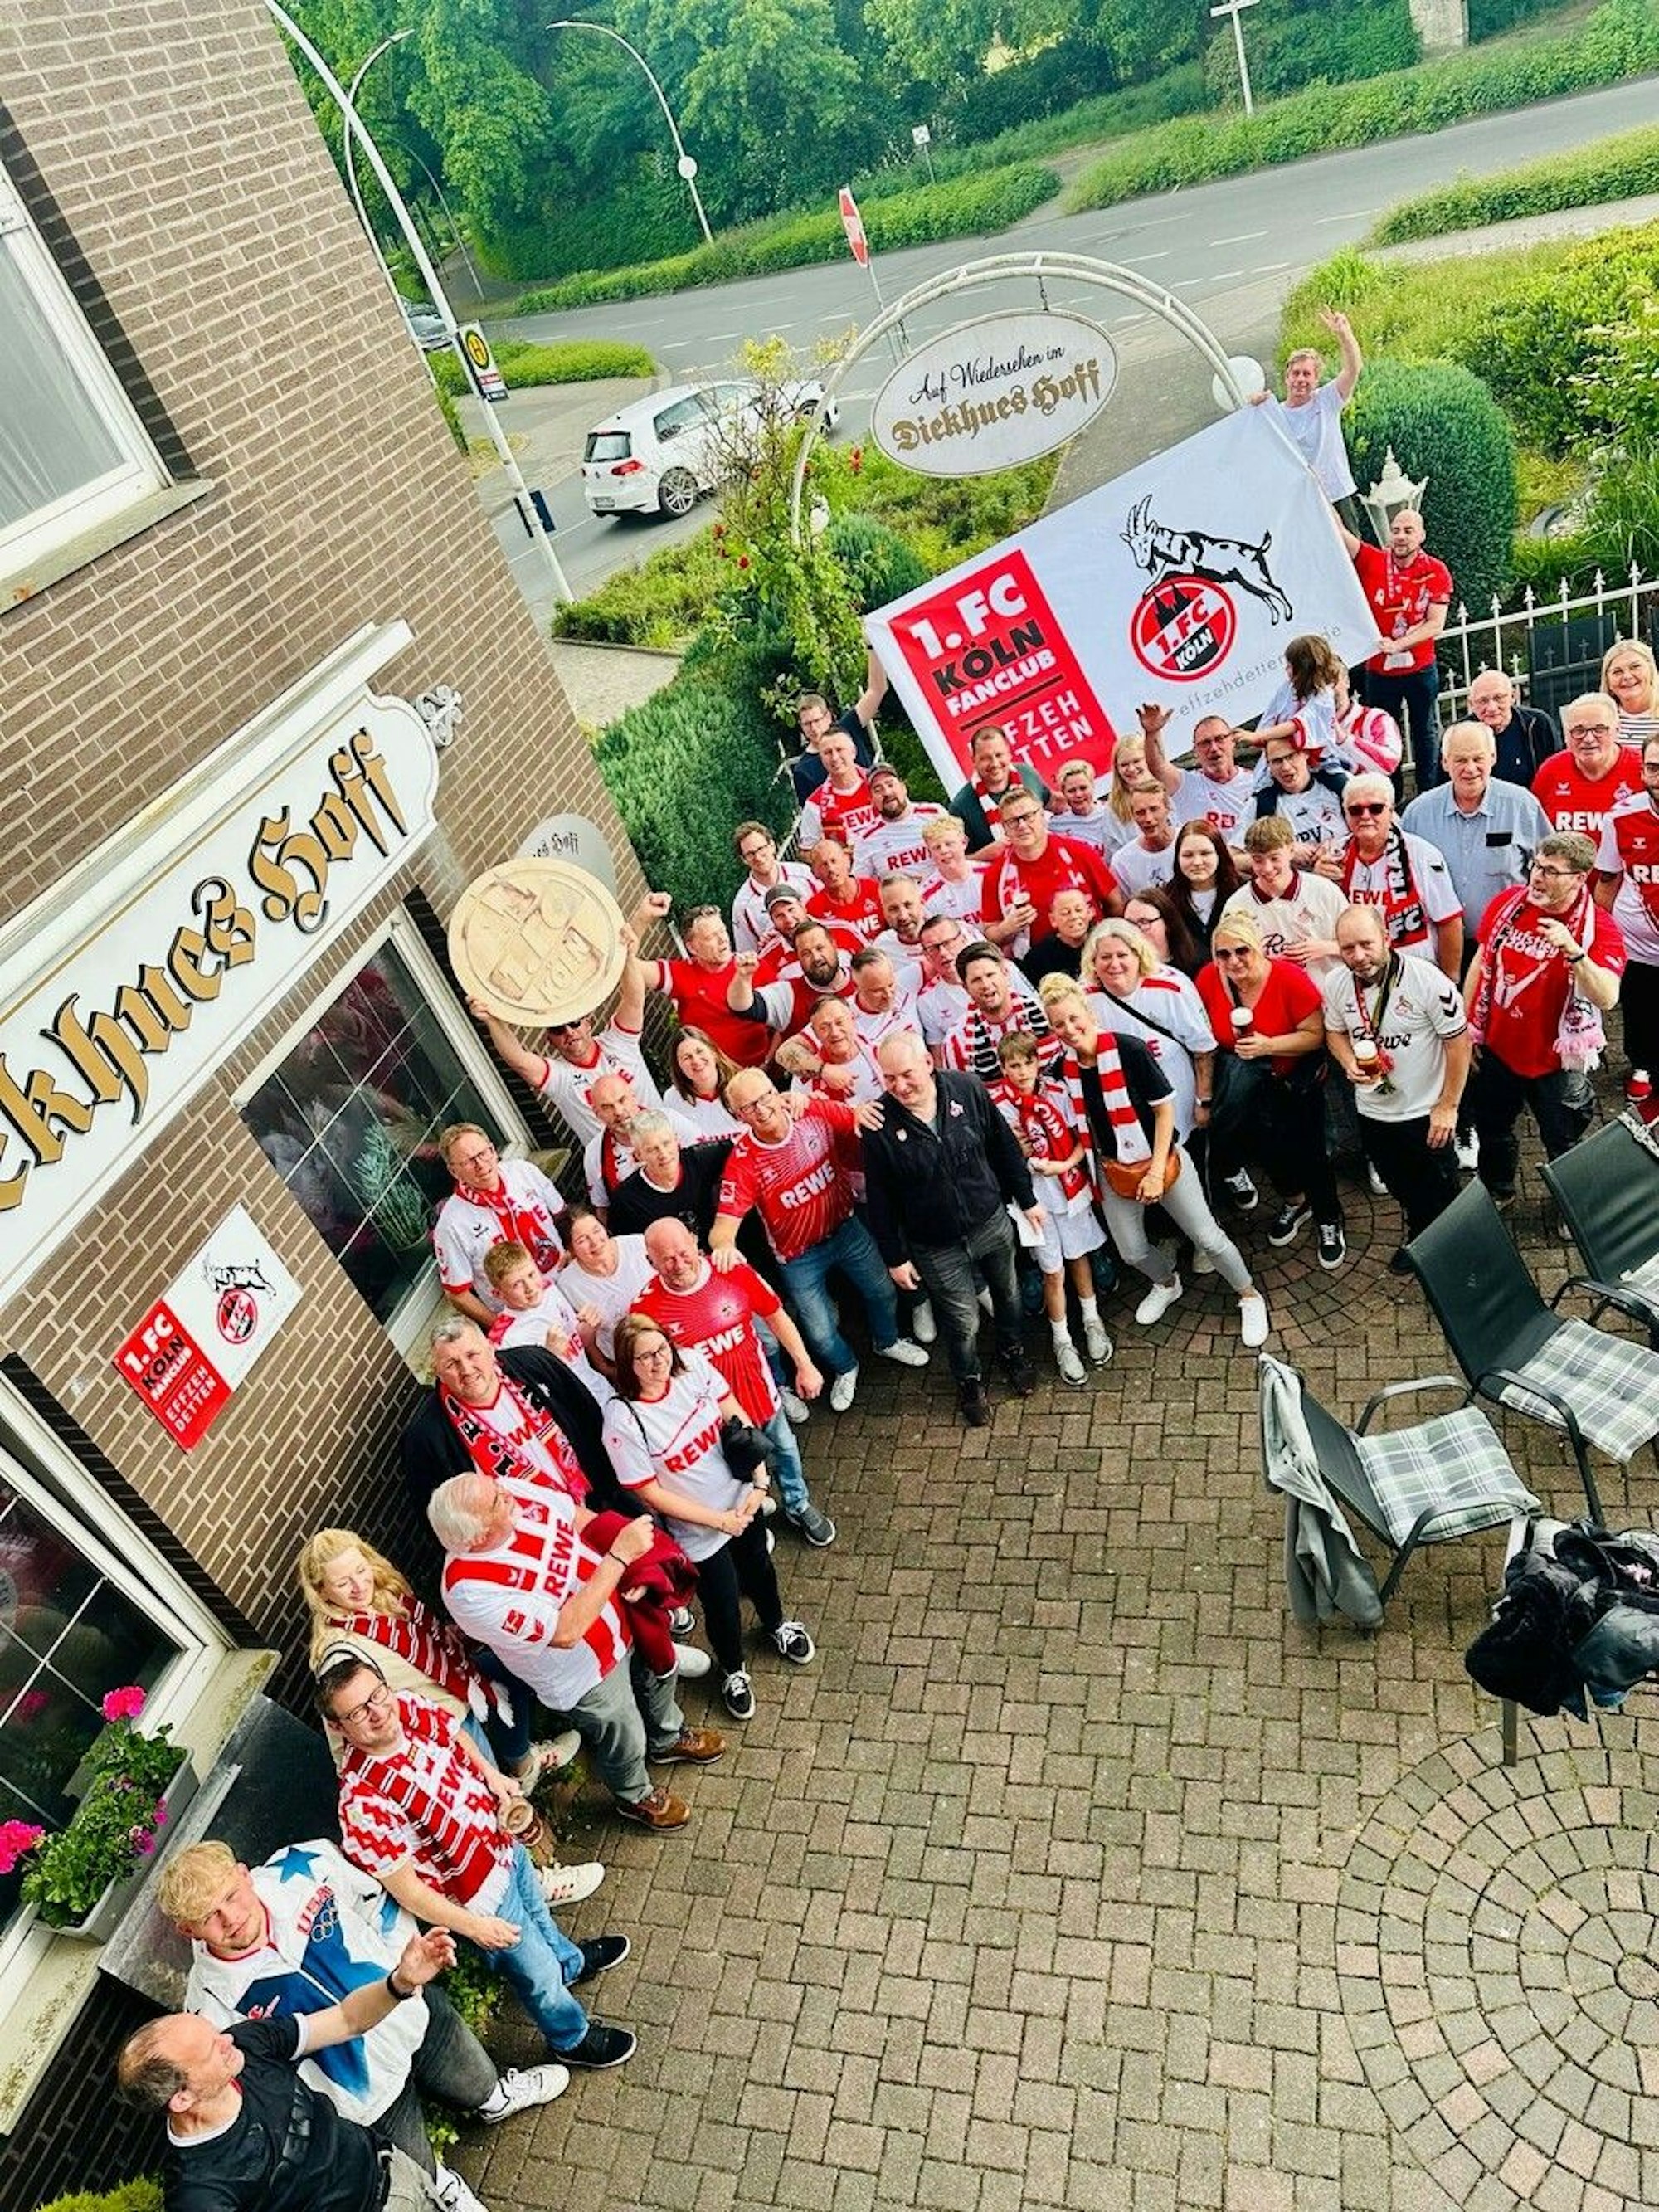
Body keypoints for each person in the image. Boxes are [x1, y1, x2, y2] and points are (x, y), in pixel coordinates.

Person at [158, 1838, 565, 2212]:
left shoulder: (303, 1867)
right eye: (209, 1916)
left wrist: (401, 1970)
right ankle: (444, 2187)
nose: (230, 1918)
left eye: (231, 1895)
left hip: (407, 2009)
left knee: (475, 2078)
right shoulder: (208, 2009)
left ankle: (494, 2099)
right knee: (416, 2165)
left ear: (244, 1874)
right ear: (187, 1929)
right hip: (363, 2092)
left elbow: (377, 1901)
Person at [322, 1652, 636, 2063]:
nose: (378, 1712)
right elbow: (409, 1892)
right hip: (477, 1896)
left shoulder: (407, 1707)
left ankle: (571, 1964)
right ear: (337, 1726)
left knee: (540, 1914)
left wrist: (491, 1776)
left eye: (377, 1695)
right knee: (534, 1973)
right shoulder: (362, 1803)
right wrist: (475, 1927)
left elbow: (455, 1735)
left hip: (501, 1841)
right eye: (359, 1712)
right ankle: (571, 2039)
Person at [429, 1476, 723, 1833]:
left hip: (625, 1616)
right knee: (624, 1731)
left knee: (658, 1671)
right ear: (475, 1536)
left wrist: (635, 1565)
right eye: (495, 1503)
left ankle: (667, 1738)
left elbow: (576, 1516)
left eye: (496, 1488)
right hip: (585, 1671)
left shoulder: (507, 1493)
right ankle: (634, 1795)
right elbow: (565, 1632)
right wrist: (619, 1557)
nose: (506, 1492)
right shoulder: (470, 1591)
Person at [118, 1917, 465, 2212]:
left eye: (216, 2033)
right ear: (181, 2099)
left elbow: (346, 2019)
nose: (226, 2039)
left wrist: (400, 1983)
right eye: (211, 2050)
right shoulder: (201, 2193)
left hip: (392, 2166)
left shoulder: (246, 2045)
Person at [296, 1526, 587, 1826]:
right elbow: (341, 1741)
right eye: (343, 1583)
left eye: (361, 1570)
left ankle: (525, 1767)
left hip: (456, 1686)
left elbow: (415, 1649)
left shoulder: (383, 1598)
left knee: (507, 1676)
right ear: (321, 1592)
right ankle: (532, 1862)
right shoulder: (340, 1654)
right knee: (491, 1805)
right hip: (443, 1732)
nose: (359, 1586)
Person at [1037, 975, 1270, 1346]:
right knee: (1130, 1250)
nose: (1068, 1029)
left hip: (1161, 1160)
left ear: (1088, 1011)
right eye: (1058, 1024)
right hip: (1113, 1168)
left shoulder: (1129, 1050)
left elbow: (1164, 1112)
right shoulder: (1063, 1068)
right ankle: (1167, 1282)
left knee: (1208, 1237)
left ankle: (1249, 1295)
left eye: (1073, 1018)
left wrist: (1157, 1172)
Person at [606, 1317, 815, 1723]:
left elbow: (733, 1415)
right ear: (627, 1364)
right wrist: (718, 1522)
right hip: (700, 1529)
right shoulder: (623, 1420)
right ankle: (733, 1668)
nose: (657, 1363)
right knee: (721, 1602)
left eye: (661, 1349)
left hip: (742, 1502)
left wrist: (758, 1480)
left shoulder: (691, 1364)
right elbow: (651, 1493)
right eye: (644, 1357)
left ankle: (777, 1625)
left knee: (760, 1570)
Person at [712, 1070, 927, 1408]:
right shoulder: (743, 1161)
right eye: (749, 1107)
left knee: (883, 1291)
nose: (762, 1109)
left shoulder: (809, 1111)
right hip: (798, 1256)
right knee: (820, 1333)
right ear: (739, 1116)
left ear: (776, 1092)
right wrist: (723, 1245)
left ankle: (886, 1341)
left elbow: (855, 1119)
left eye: (766, 1096)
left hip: (846, 1228)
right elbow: (724, 1224)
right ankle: (846, 1367)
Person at [861, 1031, 1041, 1426]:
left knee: (1009, 1296)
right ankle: (969, 1381)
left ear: (928, 1062)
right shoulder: (878, 1124)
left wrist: (1027, 1200)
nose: (899, 1087)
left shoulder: (967, 1087)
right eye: (889, 1079)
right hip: (935, 1245)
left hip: (990, 1223)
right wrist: (895, 1257)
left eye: (906, 1074)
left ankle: (1012, 1353)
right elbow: (881, 1199)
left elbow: (1003, 1146)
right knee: (963, 1322)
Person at [633, 1218, 834, 1546]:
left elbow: (775, 1314)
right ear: (650, 1261)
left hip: (760, 1395)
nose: (679, 1264)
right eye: (667, 1259)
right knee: (731, 1473)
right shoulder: (645, 1311)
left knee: (785, 1450)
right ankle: (752, 1522)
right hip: (710, 1420)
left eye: (684, 1253)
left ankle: (798, 1504)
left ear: (696, 1242)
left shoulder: (732, 1270)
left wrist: (805, 1364)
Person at [1464, 831, 1626, 1205]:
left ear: (1579, 878)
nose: (1536, 877)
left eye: (1551, 871)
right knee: (1494, 1129)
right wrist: (1467, 1029)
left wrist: (1574, 952)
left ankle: (1570, 1206)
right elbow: (1480, 960)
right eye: (1536, 865)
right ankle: (1499, 1191)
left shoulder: (1597, 928)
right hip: (1499, 1048)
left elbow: (1607, 997)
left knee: (1563, 1140)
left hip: (1556, 1063)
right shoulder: (1509, 904)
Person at [1321, 905, 1469, 1271]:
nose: (1358, 956)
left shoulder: (1427, 980)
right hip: (1374, 1111)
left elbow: (1459, 1044)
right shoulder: (1337, 984)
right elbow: (1334, 1031)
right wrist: (1347, 1061)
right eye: (1348, 948)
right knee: (1400, 1184)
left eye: (1366, 944)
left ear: (1386, 937)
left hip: (1425, 1111)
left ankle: (1459, 1250)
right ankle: (1420, 1235)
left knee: (1443, 1186)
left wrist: (1448, 1105)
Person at [1198, 911, 1346, 1269]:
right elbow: (1204, 1040)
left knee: (1310, 1152)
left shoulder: (1288, 979)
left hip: (1292, 1080)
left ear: (1259, 948)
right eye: (1223, 954)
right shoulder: (1208, 980)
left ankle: (1329, 1217)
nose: (1233, 961)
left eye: (1241, 951)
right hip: (1247, 1084)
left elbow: (1315, 1036)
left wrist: (1269, 1046)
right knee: (1267, 1150)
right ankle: (1297, 1204)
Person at [398, 1315, 628, 1526]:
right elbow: (441, 1519)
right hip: (536, 1544)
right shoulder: (425, 1436)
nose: (466, 1370)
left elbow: (588, 1415)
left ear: (490, 1349)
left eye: (472, 1355)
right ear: (437, 1372)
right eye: (451, 1364)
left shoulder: (534, 1363)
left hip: (601, 1502)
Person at [465, 929, 659, 1157]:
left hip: (665, 1139)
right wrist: (492, 1019)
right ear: (550, 1040)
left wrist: (628, 958)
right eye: (558, 1029)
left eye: (574, 1023)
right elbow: (519, 1060)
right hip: (620, 1164)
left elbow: (634, 1001)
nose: (569, 1032)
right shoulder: (561, 1077)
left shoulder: (618, 1042)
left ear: (588, 1022)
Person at [987, 1032, 1112, 1384]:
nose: (1023, 1071)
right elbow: (995, 1156)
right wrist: (1018, 1153)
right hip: (1031, 1199)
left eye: (1028, 1062)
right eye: (1014, 1065)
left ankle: (1091, 1320)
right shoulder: (996, 1104)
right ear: (1003, 1067)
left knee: (1078, 1257)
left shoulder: (1057, 1092)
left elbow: (1079, 1142)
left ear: (1038, 1061)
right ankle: (1062, 1340)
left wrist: (1060, 1166)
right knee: (1052, 1271)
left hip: (1067, 1189)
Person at [1401, 721, 1552, 948]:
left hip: (1507, 943)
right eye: (1460, 760)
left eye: (1478, 759)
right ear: (1444, 762)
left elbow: (1552, 867)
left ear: (1493, 758)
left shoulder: (1522, 806)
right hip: (1439, 946)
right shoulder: (1418, 814)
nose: (1470, 769)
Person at [1334, 509, 1452, 796]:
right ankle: (1391, 793)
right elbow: (1339, 534)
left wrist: (1399, 644)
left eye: (1408, 531)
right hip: (1380, 671)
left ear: (1421, 535)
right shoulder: (1373, 560)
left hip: (1420, 668)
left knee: (1425, 730)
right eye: (1396, 530)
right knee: (1384, 733)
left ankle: (1428, 792)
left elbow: (1435, 623)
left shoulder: (1436, 570)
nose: (1401, 536)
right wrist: (1318, 489)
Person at [1084, 919, 1218, 1154]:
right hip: (1123, 1104)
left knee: (1187, 1162)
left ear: (1138, 955)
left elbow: (1203, 1049)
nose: (1114, 964)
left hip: (1177, 1094)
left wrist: (1203, 1100)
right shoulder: (1086, 998)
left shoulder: (1171, 988)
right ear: (1093, 961)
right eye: (1105, 957)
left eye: (1122, 955)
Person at [1314, 773, 1462, 976]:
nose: (1365, 816)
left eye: (1376, 808)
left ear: (1391, 811)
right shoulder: (1334, 854)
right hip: (1357, 971)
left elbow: (1450, 922)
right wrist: (1319, 879)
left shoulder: (1421, 854)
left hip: (1414, 972)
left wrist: (1450, 981)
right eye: (1355, 810)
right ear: (1345, 814)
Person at [433, 1126, 565, 1326]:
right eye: (468, 1161)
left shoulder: (523, 1171)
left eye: (483, 1153)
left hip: (564, 1282)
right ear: (454, 1170)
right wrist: (501, 1326)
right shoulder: (451, 1225)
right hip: (522, 1317)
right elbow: (457, 1294)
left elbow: (563, 1216)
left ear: (493, 1151)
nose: (480, 1165)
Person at [1253, 308, 1365, 523]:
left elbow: (1353, 369)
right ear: (1287, 378)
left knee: (1351, 553)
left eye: (1307, 374)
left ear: (1316, 379)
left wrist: (1344, 334)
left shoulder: (1328, 399)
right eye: (1296, 373)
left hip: (1337, 494)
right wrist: (1252, 402)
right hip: (1303, 500)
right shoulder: (1276, 414)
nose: (1301, 379)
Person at [635, 892, 771, 1069]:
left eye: (722, 931)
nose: (723, 939)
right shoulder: (679, 974)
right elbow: (626, 966)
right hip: (717, 1079)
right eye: (710, 937)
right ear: (692, 947)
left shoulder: (754, 966)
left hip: (767, 1070)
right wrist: (641, 919)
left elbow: (784, 1020)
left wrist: (769, 1061)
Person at [979, 787, 1118, 957]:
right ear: (1004, 828)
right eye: (1013, 821)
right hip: (1040, 965)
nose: (1022, 825)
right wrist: (1006, 928)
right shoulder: (996, 875)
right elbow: (990, 933)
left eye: (1028, 817)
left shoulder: (1079, 851)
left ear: (1043, 816)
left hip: (1093, 950)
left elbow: (1115, 903)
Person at [1595, 731, 1659, 1078]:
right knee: (1640, 1011)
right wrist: (1598, 937)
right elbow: (1608, 880)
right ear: (1642, 773)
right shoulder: (1619, 816)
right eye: (1653, 769)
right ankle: (1642, 1069)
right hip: (1638, 945)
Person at [482, 1241, 612, 1406]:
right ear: (498, 1294)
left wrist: (587, 1330)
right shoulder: (503, 1342)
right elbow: (528, 1398)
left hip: (602, 1391)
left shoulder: (549, 1290)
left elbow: (578, 1346)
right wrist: (550, 1358)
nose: (530, 1287)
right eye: (517, 1284)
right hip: (575, 1412)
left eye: (531, 1275)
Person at [1222, 816, 1346, 981]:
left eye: (1274, 858)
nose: (1267, 869)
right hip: (1271, 997)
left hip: (1327, 994)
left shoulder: (1325, 891)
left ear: (1291, 851)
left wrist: (1325, 947)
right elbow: (1227, 962)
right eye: (1258, 860)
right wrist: (1264, 962)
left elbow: (1360, 943)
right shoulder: (1237, 905)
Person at [581, 1072, 699, 1214]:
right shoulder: (594, 1154)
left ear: (633, 1096)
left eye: (622, 1100)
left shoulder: (671, 1120)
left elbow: (704, 1162)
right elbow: (603, 1208)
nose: (618, 1111)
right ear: (596, 1113)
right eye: (607, 1107)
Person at [1532, 692, 1643, 841]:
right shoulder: (1551, 770)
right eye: (1579, 731)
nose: (1589, 739)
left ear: (1617, 730)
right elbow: (1534, 830)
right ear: (1566, 735)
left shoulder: (1644, 768)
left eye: (1599, 729)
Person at [607, 1112, 732, 1241]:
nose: (663, 1154)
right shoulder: (626, 1200)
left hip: (719, 1249)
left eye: (666, 1143)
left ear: (677, 1140)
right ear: (638, 1155)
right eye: (652, 1150)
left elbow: (743, 1148)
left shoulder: (700, 1159)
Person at [556, 1207, 654, 1369]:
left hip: (672, 1337)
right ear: (570, 1250)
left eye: (596, 1230)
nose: (595, 1242)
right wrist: (605, 1368)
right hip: (626, 1362)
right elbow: (584, 1338)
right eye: (582, 1240)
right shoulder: (567, 1285)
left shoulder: (638, 1245)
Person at [731, 918, 856, 1044]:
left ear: (834, 945)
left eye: (820, 948)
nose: (816, 958)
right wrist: (743, 977)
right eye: (806, 954)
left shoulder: (861, 979)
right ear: (798, 958)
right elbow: (743, 1007)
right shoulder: (788, 994)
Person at [1138, 706, 1256, 840]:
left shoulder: (1255, 782)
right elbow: (1158, 767)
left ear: (1232, 741)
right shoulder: (1186, 785)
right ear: (1195, 751)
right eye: (1205, 743)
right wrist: (1153, 733)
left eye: (1219, 739)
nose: (1214, 748)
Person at [944, 940, 1052, 1079]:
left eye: (990, 975)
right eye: (976, 980)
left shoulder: (1043, 1012)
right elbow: (964, 1094)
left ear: (1005, 974)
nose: (986, 984)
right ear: (966, 988)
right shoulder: (957, 1041)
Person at [791, 650, 885, 804]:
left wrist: (872, 647)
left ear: (828, 717)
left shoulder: (848, 726)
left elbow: (877, 689)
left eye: (817, 720)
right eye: (807, 724)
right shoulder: (804, 770)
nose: (814, 728)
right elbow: (814, 811)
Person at [949, 723, 1050, 854]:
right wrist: (985, 854)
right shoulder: (961, 806)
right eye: (985, 758)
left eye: (999, 755)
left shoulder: (1027, 774)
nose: (995, 764)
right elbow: (961, 860)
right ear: (974, 760)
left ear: (1009, 753)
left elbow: (1053, 802)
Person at [1253, 733, 1348, 859]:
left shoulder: (1339, 785)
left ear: (1305, 753)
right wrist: (1286, 851)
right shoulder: (1261, 802)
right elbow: (1236, 858)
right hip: (1300, 877)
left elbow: (1375, 828)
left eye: (1291, 756)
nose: (1286, 767)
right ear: (1269, 765)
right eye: (1277, 761)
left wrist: (1339, 845)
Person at [729, 821, 814, 954]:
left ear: (772, 846)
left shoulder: (804, 874)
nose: (758, 857)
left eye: (761, 849)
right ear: (744, 860)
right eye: (750, 854)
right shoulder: (742, 906)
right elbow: (749, 952)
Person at [1167, 821, 1243, 967]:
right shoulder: (1166, 900)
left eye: (1205, 853)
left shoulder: (1243, 892)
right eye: (1188, 855)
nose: (1197, 862)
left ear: (1219, 853)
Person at [1466, 668, 1558, 787]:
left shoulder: (1537, 723)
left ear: (1513, 696)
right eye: (1483, 701)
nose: (1492, 708)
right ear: (1471, 704)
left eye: (1499, 698)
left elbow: (1557, 770)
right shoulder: (1459, 734)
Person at [856, 764, 946, 878]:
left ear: (903, 788)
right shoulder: (866, 839)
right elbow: (861, 884)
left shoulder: (934, 814)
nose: (887, 793)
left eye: (890, 785)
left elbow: (960, 854)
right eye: (878, 790)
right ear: (871, 800)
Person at [798, 729, 879, 851]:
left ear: (853, 752)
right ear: (821, 760)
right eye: (827, 753)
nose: (835, 758)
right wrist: (837, 854)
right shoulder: (815, 804)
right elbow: (806, 851)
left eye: (840, 750)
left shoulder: (879, 783)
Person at [805, 835, 885, 946]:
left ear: (847, 861)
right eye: (824, 865)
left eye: (834, 861)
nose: (831, 869)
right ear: (815, 872)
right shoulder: (814, 909)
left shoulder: (874, 889)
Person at [666, 1026, 745, 1138]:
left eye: (700, 1051)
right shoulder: (673, 1099)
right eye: (687, 1057)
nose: (696, 1061)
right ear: (678, 1067)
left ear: (713, 1052)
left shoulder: (744, 1084)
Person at [915, 911, 971, 1054]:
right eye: (933, 949)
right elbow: (940, 1056)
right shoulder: (927, 1001)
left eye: (948, 943)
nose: (943, 953)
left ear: (963, 939)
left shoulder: (1002, 969)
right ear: (926, 955)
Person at [1110, 785, 1179, 898]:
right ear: (1133, 815)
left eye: (1154, 809)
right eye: (1140, 812)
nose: (1148, 819)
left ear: (1167, 809)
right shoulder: (1122, 862)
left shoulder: (1190, 841)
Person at [1021, 886, 1098, 988]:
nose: (1074, 916)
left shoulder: (1101, 943)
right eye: (1065, 913)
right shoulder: (1039, 957)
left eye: (1079, 910)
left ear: (1090, 913)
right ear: (1053, 920)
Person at [1121, 887, 1204, 980]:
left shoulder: (1198, 964)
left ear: (1167, 923)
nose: (1136, 931)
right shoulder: (1120, 967)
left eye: (1144, 922)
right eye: (1129, 924)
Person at [847, 948, 921, 1050]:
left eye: (891, 985)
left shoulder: (907, 983)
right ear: (856, 986)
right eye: (877, 990)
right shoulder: (847, 1019)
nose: (888, 995)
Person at [1097, 730, 1153, 852]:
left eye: (1136, 761)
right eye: (1124, 765)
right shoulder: (1113, 809)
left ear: (1148, 759)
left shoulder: (1168, 789)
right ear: (1117, 769)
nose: (1131, 769)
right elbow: (1114, 855)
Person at [1047, 755, 1116, 851]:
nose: (1078, 794)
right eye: (1071, 791)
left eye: (1083, 788)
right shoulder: (1056, 825)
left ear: (1092, 786)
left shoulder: (1113, 812)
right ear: (1063, 793)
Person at [1603, 638, 1659, 744]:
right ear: (1608, 681)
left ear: (1651, 670)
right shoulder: (1600, 721)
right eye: (1617, 672)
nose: (1627, 676)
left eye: (1635, 667)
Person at [873, 871, 929, 966]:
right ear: (884, 912)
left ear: (922, 902)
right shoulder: (881, 948)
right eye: (893, 909)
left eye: (908, 905)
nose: (903, 916)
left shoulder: (950, 934)